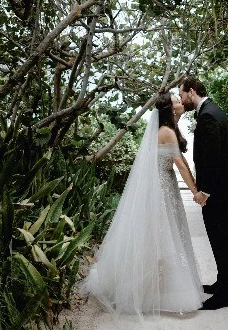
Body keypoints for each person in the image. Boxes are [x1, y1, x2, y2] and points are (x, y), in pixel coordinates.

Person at [80, 91, 204, 315]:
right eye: (177, 100)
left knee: (160, 237)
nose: (180, 102)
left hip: (165, 186)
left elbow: (181, 160)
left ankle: (155, 288)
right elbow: (181, 165)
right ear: (169, 108)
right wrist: (195, 191)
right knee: (161, 238)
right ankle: (146, 293)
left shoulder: (168, 129)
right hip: (162, 189)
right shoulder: (166, 131)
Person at [180, 75, 228, 310]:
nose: (181, 99)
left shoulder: (208, 116)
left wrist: (204, 192)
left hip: (217, 190)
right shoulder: (211, 110)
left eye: (182, 94)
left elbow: (212, 159)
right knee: (221, 238)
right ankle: (223, 283)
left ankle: (226, 293)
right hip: (222, 187)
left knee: (220, 239)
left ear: (191, 91)